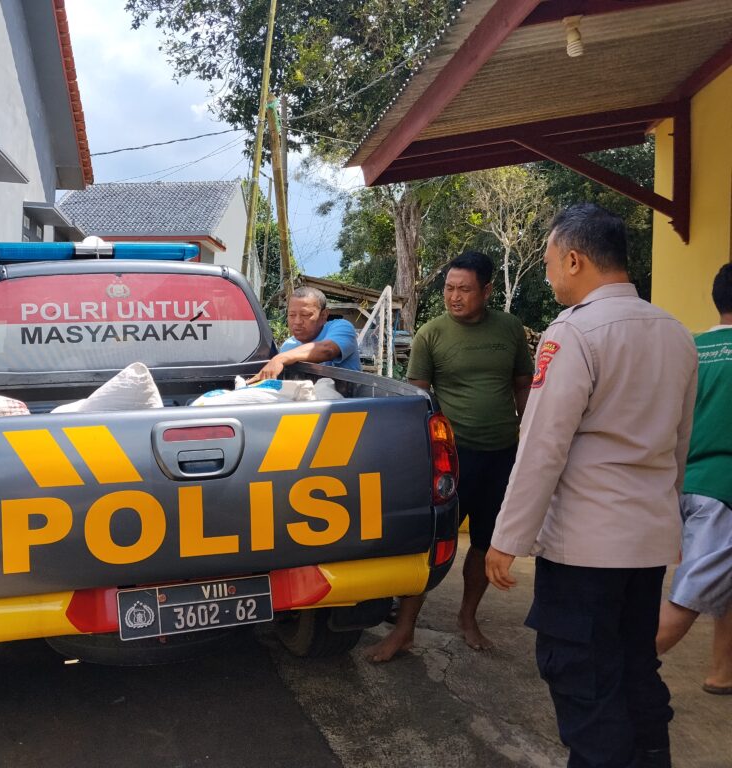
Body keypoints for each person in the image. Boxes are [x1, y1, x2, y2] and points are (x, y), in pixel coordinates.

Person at [485, 203, 698, 768]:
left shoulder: (573, 332)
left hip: (585, 550)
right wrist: (667, 521)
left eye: (550, 262)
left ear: (575, 260)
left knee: (584, 677)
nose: (549, 275)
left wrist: (507, 539)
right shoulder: (676, 332)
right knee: (636, 669)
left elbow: (541, 446)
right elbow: (679, 444)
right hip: (647, 544)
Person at [367, 250, 533, 661]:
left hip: (502, 454)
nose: (454, 297)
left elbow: (523, 385)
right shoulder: (431, 334)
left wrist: (530, 438)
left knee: (485, 542)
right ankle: (404, 628)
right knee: (431, 541)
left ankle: (468, 617)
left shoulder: (510, 329)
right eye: (449, 288)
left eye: (464, 289)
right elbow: (417, 398)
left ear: (487, 290)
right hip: (451, 458)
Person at [655, 263, 732, 695]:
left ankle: (724, 672)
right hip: (723, 490)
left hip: (680, 482)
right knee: (689, 596)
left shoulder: (690, 347)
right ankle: (617, 677)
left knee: (723, 581)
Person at [249, 286, 361, 382]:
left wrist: (280, 358)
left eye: (305, 315)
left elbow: (328, 349)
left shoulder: (341, 327)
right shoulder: (288, 346)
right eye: (292, 315)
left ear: (323, 315)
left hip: (348, 400)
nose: (297, 321)